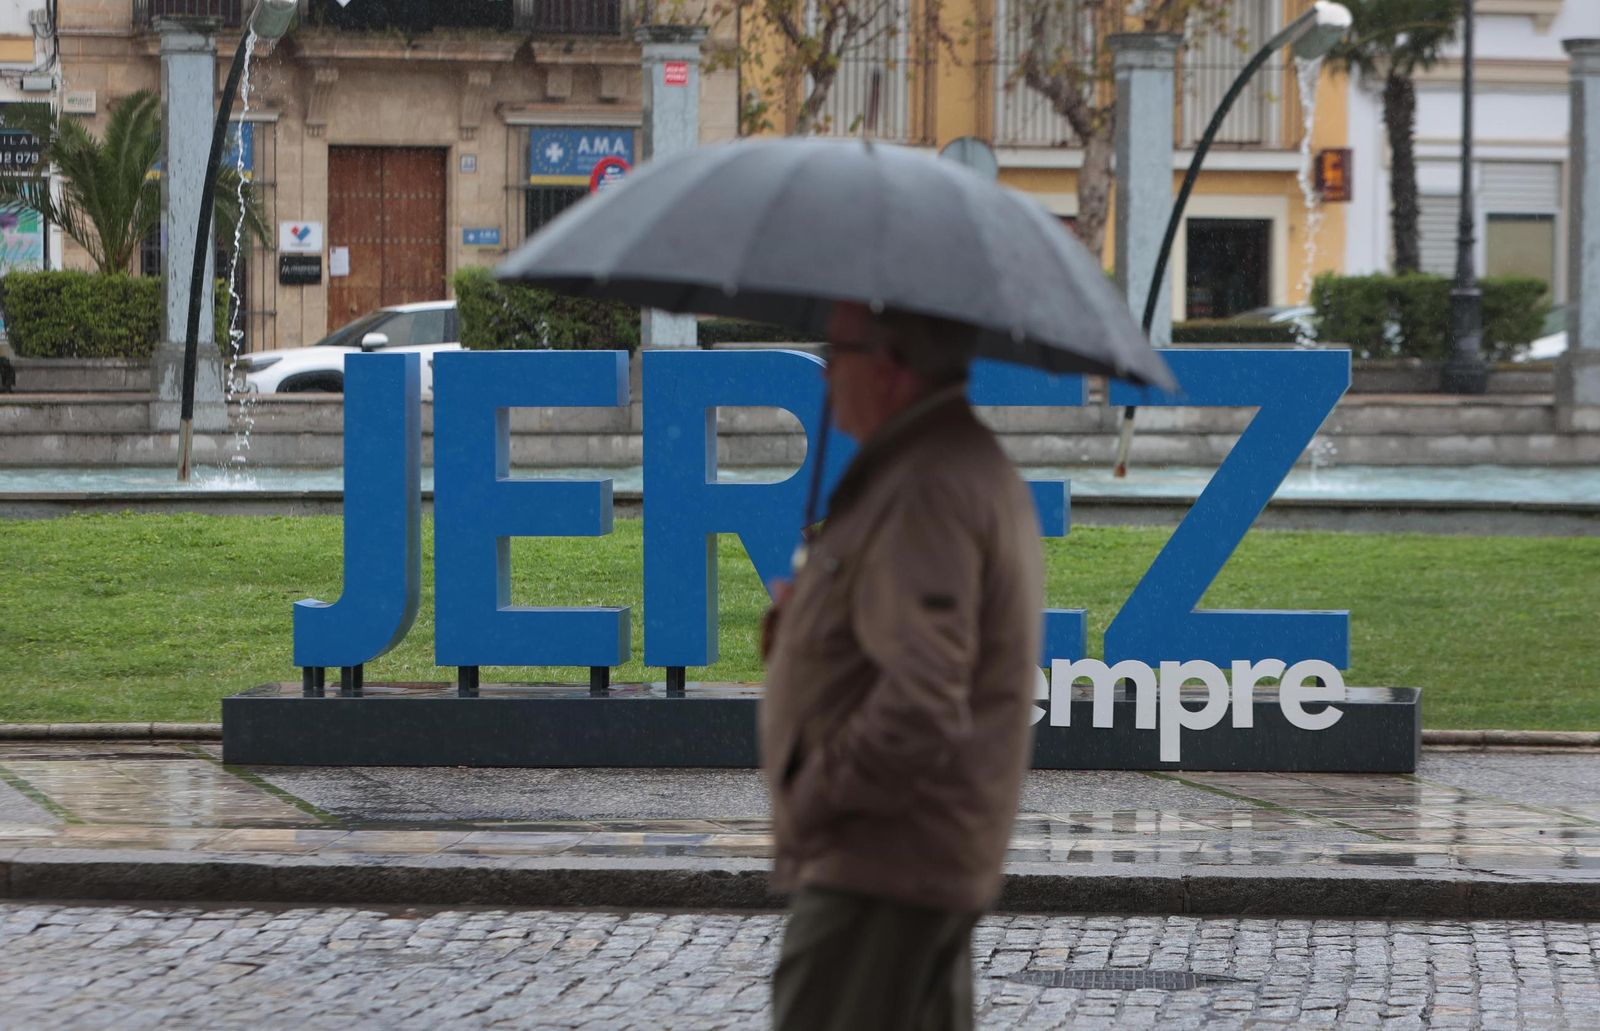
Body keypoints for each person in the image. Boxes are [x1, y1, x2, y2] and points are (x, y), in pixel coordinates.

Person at [759, 301, 1045, 1031]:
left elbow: (922, 698)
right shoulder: (937, 463)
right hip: (909, 861)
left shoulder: (926, 486)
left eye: (839, 350)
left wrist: (820, 792)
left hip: (878, 865)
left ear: (890, 366)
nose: (826, 374)